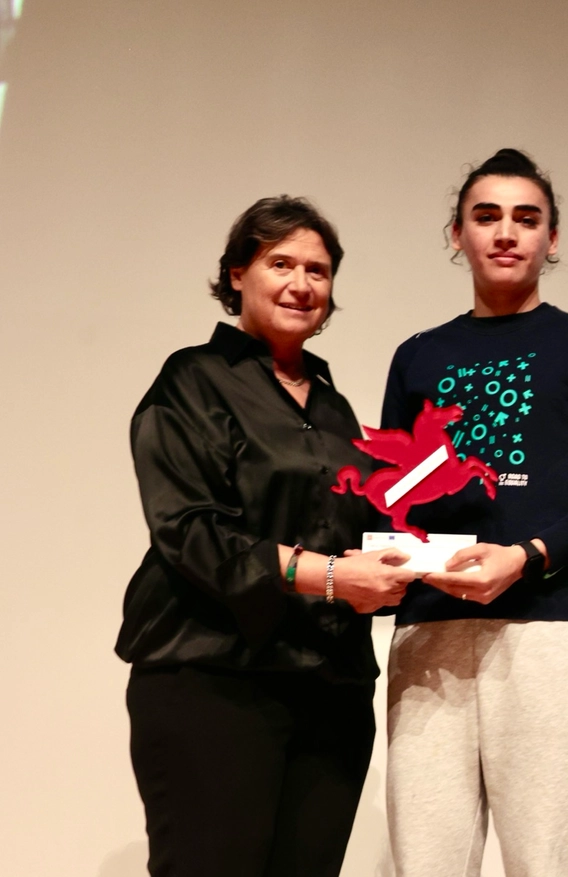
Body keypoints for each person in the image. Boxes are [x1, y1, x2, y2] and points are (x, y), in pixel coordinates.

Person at [117, 196, 417, 877]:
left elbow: (361, 531)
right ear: (235, 275)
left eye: (317, 269)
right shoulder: (192, 380)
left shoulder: (337, 409)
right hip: (213, 679)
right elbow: (188, 532)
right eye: (280, 262)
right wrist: (334, 577)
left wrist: (422, 561)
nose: (301, 283)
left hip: (330, 691)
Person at [380, 148, 568, 877]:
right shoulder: (417, 355)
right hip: (425, 637)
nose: (506, 232)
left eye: (526, 218)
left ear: (551, 239)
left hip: (544, 632)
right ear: (456, 234)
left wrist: (527, 554)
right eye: (486, 216)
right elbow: (393, 496)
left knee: (548, 864)